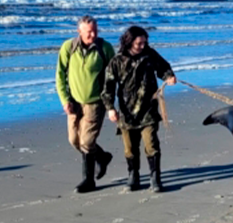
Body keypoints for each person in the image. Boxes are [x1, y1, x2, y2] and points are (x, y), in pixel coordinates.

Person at [102, 26, 176, 192]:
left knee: (151, 144)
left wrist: (169, 76)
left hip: (148, 109)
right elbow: (108, 87)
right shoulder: (117, 61)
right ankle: (133, 176)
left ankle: (155, 178)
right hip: (126, 113)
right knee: (130, 147)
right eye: (139, 43)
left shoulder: (150, 55)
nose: (143, 46)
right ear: (129, 42)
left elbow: (163, 67)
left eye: (145, 42)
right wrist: (110, 108)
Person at [55, 15, 115, 193]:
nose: (93, 34)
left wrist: (110, 103)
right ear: (79, 31)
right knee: (74, 140)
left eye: (95, 30)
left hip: (95, 103)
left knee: (87, 142)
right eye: (89, 31)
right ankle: (102, 157)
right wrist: (65, 100)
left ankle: (88, 180)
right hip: (74, 103)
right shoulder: (68, 47)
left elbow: (113, 76)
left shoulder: (105, 48)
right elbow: (60, 75)